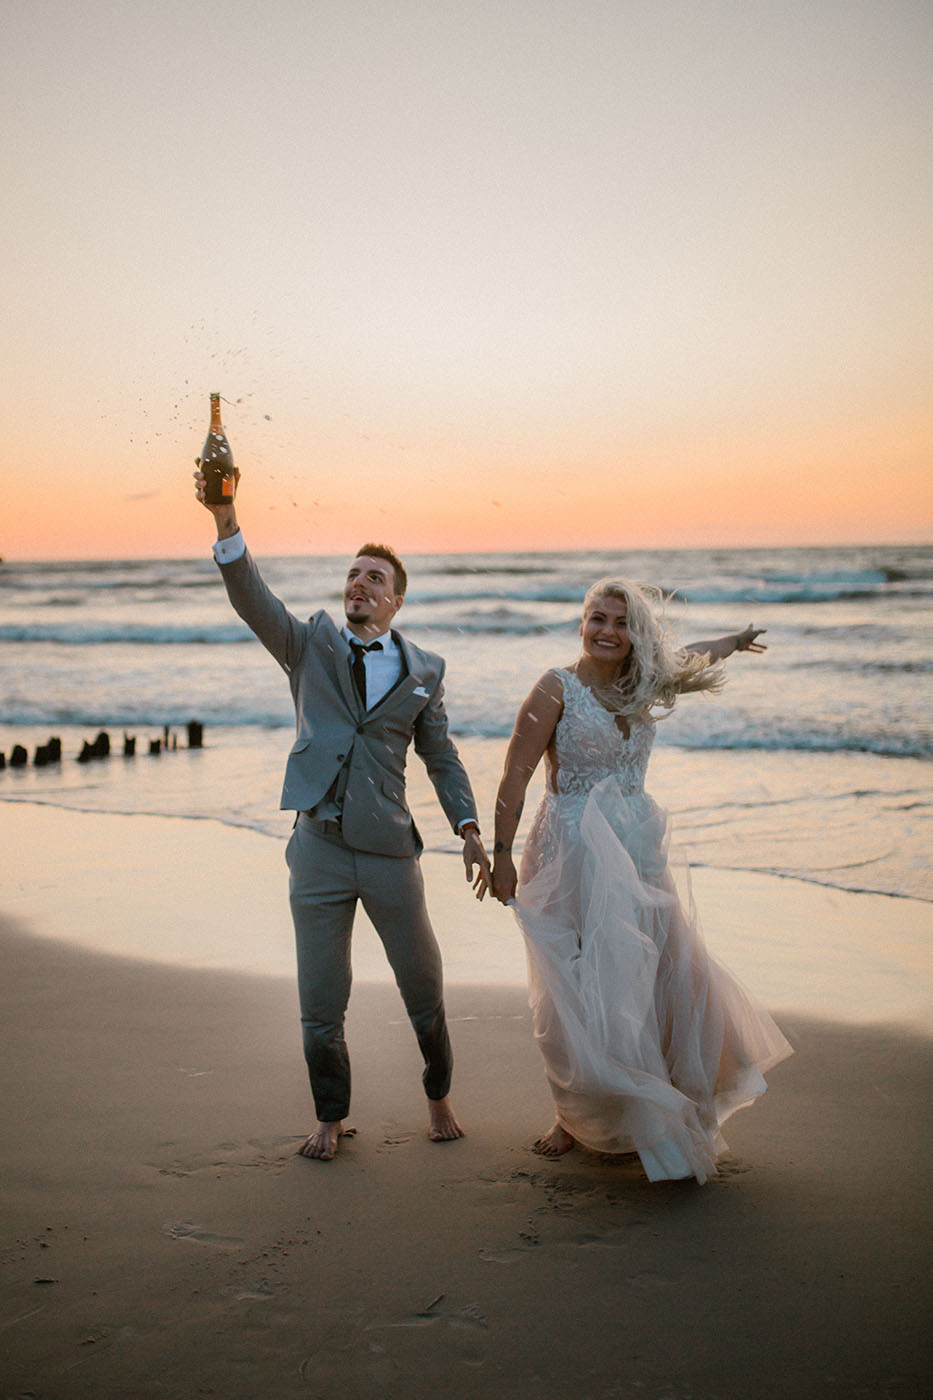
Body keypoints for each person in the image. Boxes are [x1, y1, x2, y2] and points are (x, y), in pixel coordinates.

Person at [195, 465, 490, 1161]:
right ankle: (330, 1116)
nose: (359, 583)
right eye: (353, 574)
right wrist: (225, 518)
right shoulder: (309, 644)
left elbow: (440, 756)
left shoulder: (425, 669)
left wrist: (469, 828)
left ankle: (438, 1094)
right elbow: (251, 598)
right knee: (321, 1000)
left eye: (374, 578)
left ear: (395, 601)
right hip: (318, 849)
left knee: (423, 986)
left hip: (389, 852)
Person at [490, 578, 792, 1183]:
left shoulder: (643, 683)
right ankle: (571, 1116)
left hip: (637, 850)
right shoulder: (555, 687)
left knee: (656, 977)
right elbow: (515, 774)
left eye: (621, 622)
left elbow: (693, 656)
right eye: (597, 618)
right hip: (570, 851)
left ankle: (654, 1100)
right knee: (576, 988)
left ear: (636, 634)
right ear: (582, 623)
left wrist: (735, 640)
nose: (607, 631)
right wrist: (500, 855)